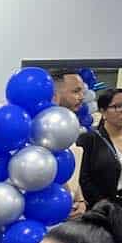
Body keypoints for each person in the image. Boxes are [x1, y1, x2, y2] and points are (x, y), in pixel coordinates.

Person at [78, 88, 122, 209]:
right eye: (117, 106)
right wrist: (104, 205)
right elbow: (83, 178)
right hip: (101, 209)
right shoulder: (89, 139)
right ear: (103, 111)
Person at [52, 70, 86, 219]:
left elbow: (70, 170)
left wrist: (80, 200)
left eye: (82, 92)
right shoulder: (38, 130)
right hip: (45, 210)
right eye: (76, 91)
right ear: (55, 94)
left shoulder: (69, 126)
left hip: (67, 213)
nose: (82, 97)